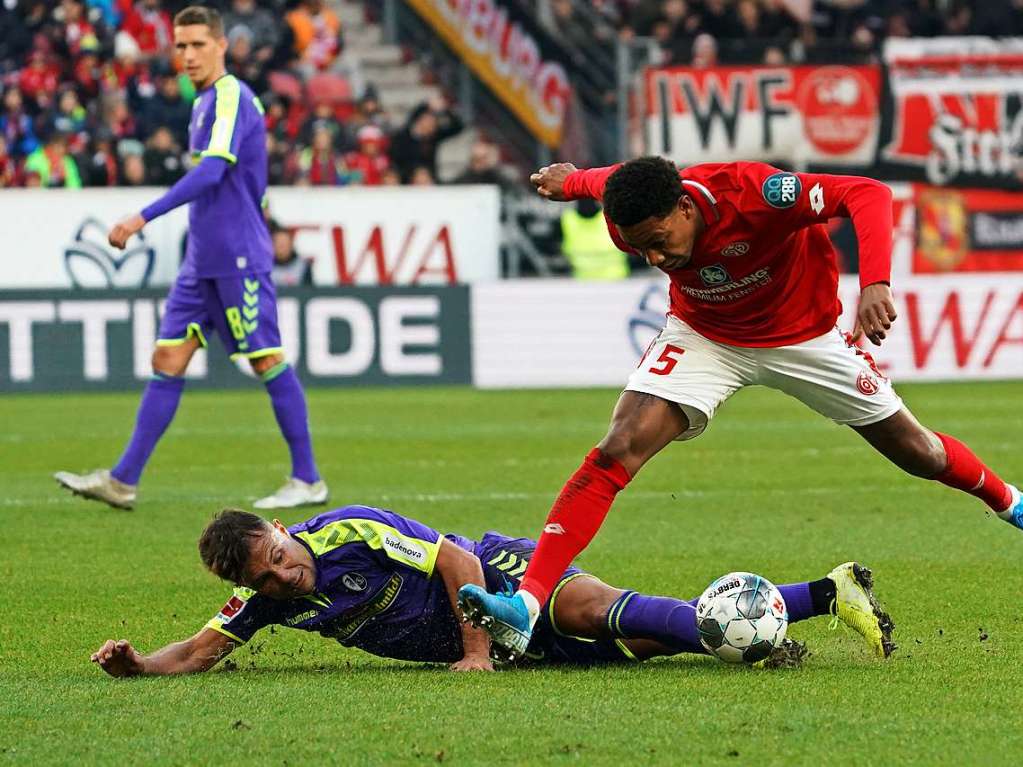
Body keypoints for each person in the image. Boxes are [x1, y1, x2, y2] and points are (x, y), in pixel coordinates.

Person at [458, 156, 1023, 659]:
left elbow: (867, 193)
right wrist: (571, 181)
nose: (655, 257)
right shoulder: (628, 207)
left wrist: (874, 283)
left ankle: (1009, 502)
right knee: (617, 449)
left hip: (805, 337)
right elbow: (595, 179)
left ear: (685, 205)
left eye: (659, 240)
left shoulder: (756, 194)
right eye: (640, 247)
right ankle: (528, 605)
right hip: (706, 336)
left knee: (917, 451)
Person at [90, 505, 894, 676]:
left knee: (595, 607)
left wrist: (480, 646)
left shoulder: (347, 530)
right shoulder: (270, 598)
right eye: (263, 576)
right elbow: (199, 649)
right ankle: (827, 590)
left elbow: (452, 563)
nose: (281, 575)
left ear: (277, 525)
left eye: (275, 554)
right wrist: (135, 666)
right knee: (647, 642)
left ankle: (801, 610)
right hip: (498, 645)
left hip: (500, 577)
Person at [55, 6, 327, 511]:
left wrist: (142, 216)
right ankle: (122, 480)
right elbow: (247, 181)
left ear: (222, 46)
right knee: (168, 357)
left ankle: (308, 478)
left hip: (237, 256)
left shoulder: (231, 98)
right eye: (180, 46)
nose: (187, 55)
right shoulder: (204, 103)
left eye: (198, 44)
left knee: (266, 358)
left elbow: (211, 174)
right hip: (201, 260)